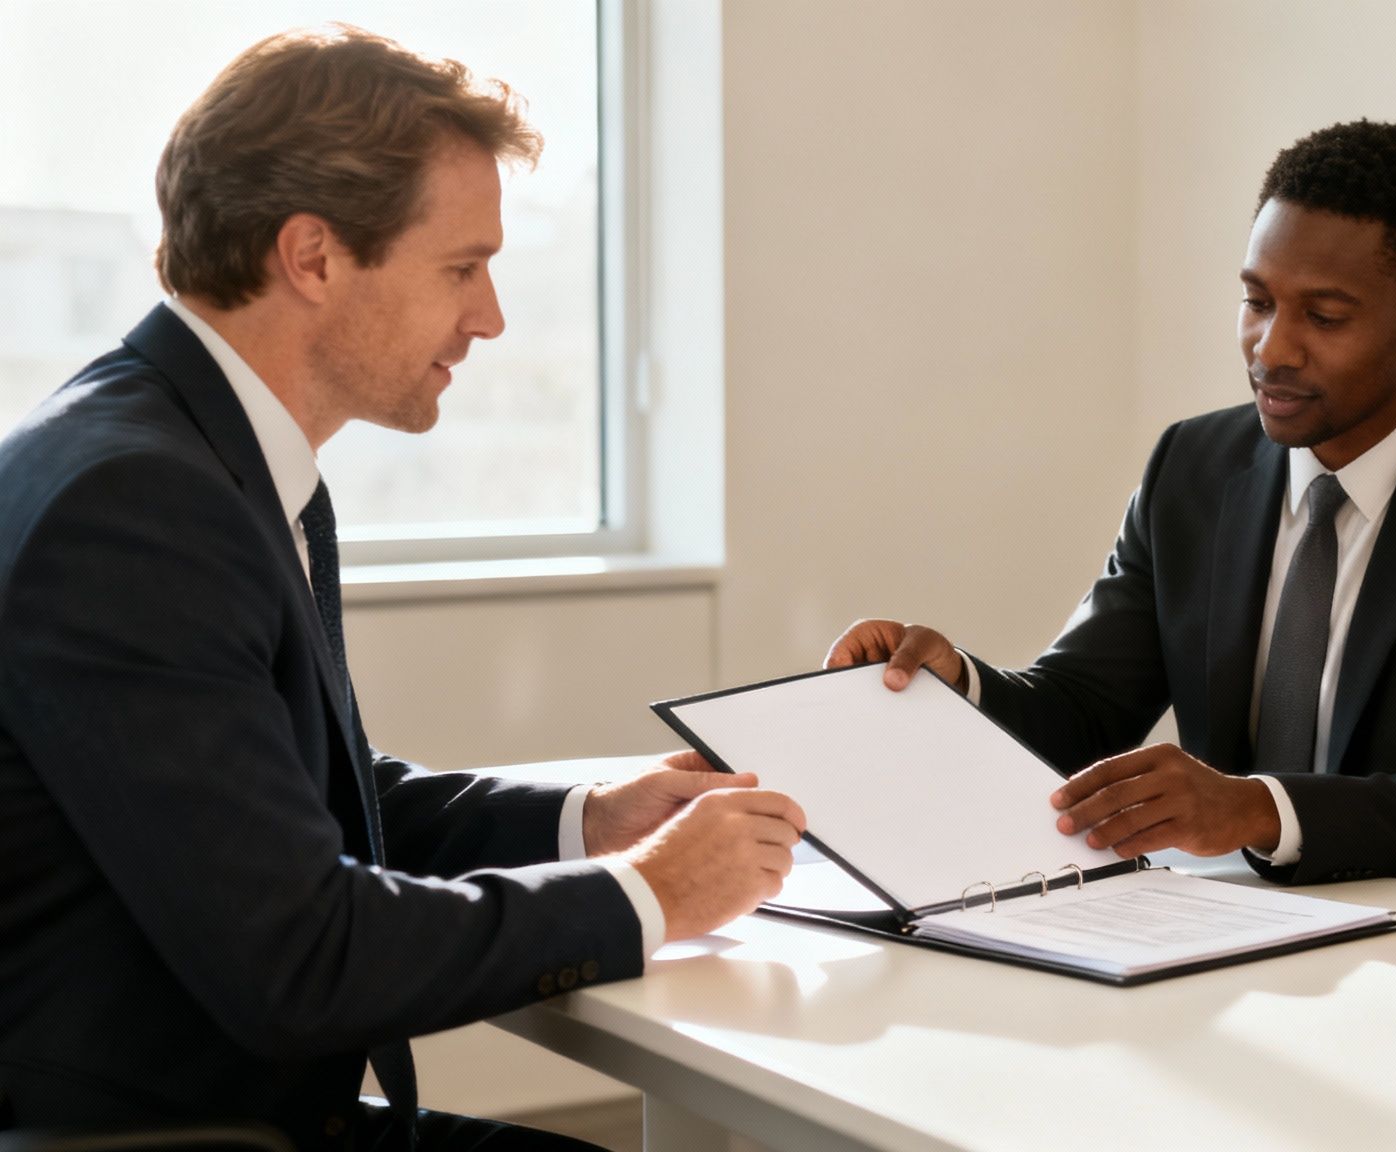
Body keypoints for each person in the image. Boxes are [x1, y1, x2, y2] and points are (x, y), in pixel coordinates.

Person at [0, 27, 805, 1148]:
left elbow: (299, 795)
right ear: (315, 257)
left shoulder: (183, 450)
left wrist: (588, 823)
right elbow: (303, 956)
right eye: (462, 266)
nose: (490, 317)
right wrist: (650, 895)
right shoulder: (137, 505)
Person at [829, 119, 1396, 884]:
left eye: (1323, 316)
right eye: (1256, 301)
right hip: (1207, 925)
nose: (1271, 349)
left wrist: (1256, 808)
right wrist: (958, 682)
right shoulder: (1193, 466)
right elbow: (1085, 711)